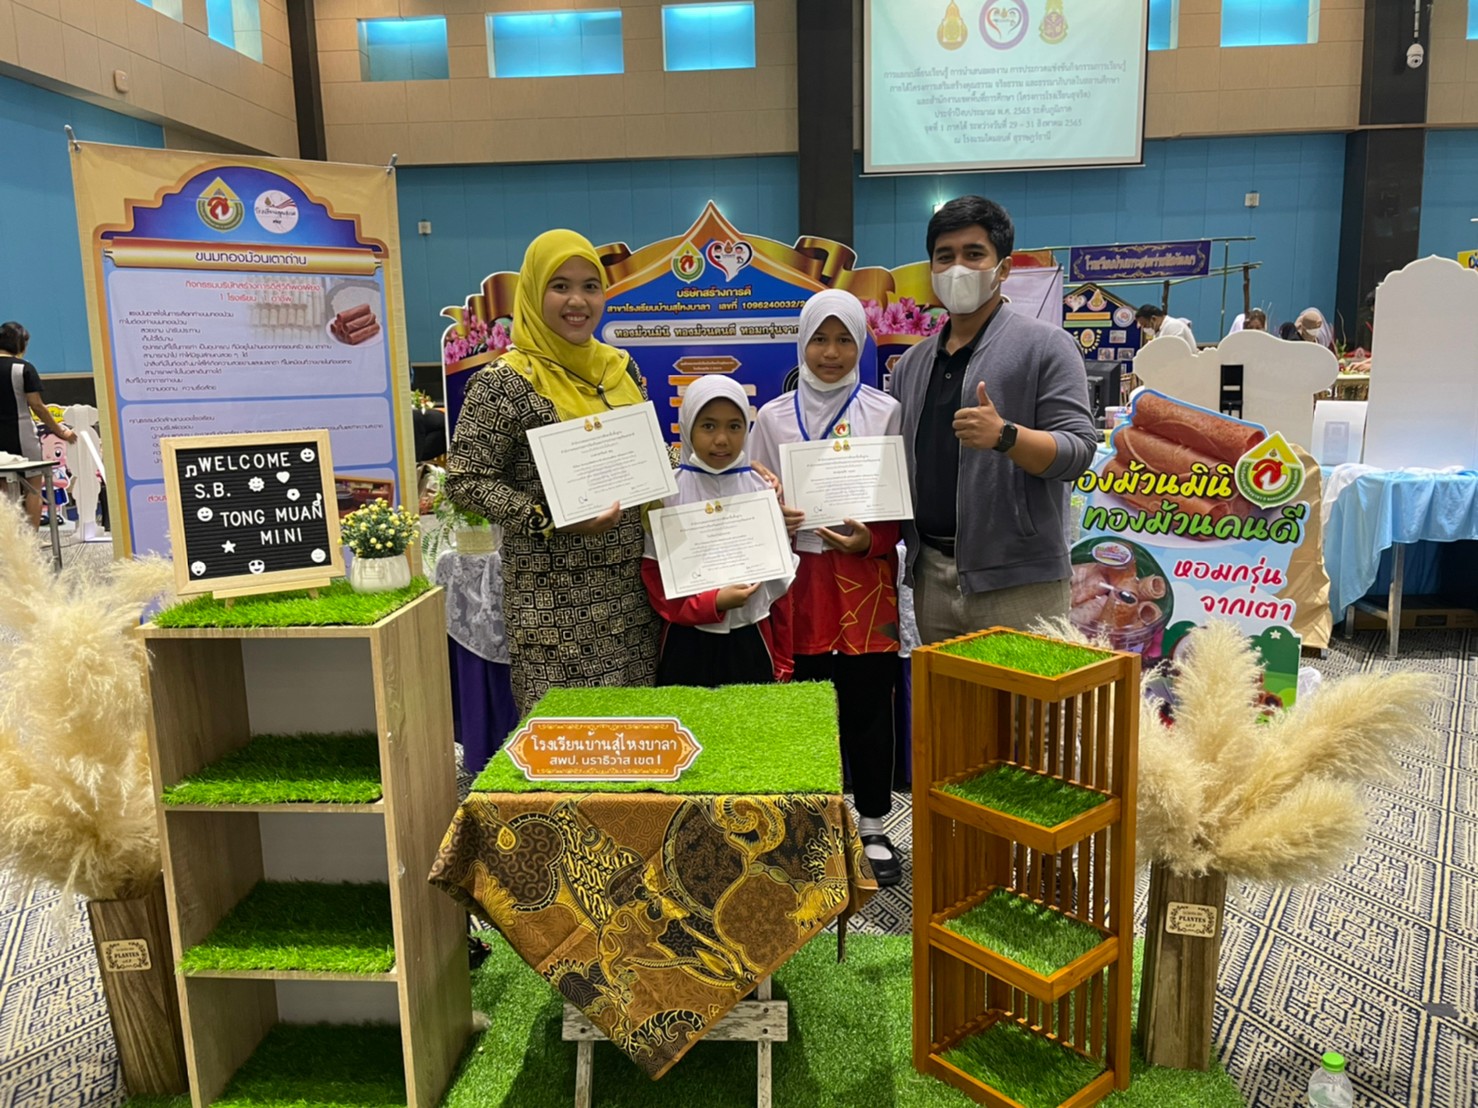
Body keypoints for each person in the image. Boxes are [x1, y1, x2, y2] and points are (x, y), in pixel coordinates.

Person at [446, 230, 659, 714]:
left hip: (631, 602)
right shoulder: (503, 382)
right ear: (533, 292)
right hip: (554, 610)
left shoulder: (621, 370)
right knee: (566, 743)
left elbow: (643, 456)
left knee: (635, 738)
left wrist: (731, 471)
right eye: (560, 286)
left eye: (590, 286)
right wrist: (548, 517)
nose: (577, 301)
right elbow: (466, 479)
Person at [888, 196, 1099, 644]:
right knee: (948, 694)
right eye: (944, 256)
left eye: (974, 254)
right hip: (932, 578)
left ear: (1003, 268)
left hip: (1020, 582)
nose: (957, 268)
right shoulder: (912, 364)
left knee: (1027, 694)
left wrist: (1006, 437)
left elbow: (1079, 452)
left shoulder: (1046, 347)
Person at [750, 288, 906, 886]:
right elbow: (752, 493)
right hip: (800, 579)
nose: (832, 353)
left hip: (865, 578)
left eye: (844, 339)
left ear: (861, 343)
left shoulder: (884, 411)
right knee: (805, 701)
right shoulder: (772, 417)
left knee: (868, 703)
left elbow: (899, 505)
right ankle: (808, 821)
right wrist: (775, 515)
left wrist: (870, 538)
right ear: (802, 342)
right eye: (820, 339)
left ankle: (872, 824)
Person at [642, 375, 795, 687]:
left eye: (734, 426)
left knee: (750, 716)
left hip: (751, 637)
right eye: (708, 426)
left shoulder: (761, 490)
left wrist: (783, 657)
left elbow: (780, 590)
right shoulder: (668, 494)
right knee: (686, 716)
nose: (722, 439)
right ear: (687, 427)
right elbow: (656, 578)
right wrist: (710, 604)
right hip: (686, 642)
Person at [1, 322, 77, 529]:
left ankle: (6, 541)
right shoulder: (23, 368)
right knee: (33, 487)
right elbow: (37, 406)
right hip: (22, 436)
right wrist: (61, 431)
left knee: (2, 490)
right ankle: (30, 540)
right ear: (19, 344)